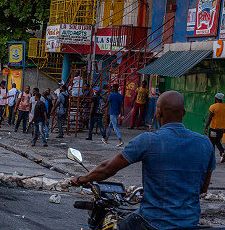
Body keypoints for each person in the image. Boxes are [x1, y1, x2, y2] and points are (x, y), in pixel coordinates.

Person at [72, 91, 215, 230]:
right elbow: (203, 188)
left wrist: (81, 179)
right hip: (190, 222)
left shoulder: (148, 140)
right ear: (183, 113)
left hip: (152, 221)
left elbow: (107, 168)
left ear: (158, 113)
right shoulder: (205, 144)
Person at [205, 93, 225, 163]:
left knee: (212, 142)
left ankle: (212, 158)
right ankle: (222, 152)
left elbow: (209, 118)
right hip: (222, 129)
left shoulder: (213, 106)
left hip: (213, 129)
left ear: (216, 98)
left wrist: (206, 127)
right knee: (217, 141)